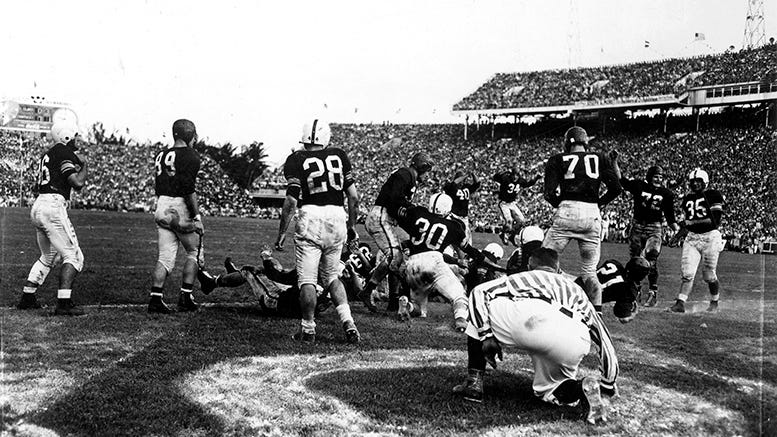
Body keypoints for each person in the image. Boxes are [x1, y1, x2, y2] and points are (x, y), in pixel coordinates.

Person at [453, 248, 618, 425]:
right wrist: (608, 384)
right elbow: (602, 336)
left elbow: (479, 292)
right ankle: (582, 387)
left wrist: (486, 336)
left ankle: (474, 382)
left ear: (531, 264)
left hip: (529, 322)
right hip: (573, 335)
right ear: (557, 267)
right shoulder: (576, 290)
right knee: (551, 389)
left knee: (480, 308)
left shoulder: (525, 276)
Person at [275, 119, 361, 343]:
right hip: (337, 217)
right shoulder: (339, 155)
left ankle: (308, 328)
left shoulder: (296, 158)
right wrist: (351, 226)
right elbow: (354, 197)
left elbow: (291, 201)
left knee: (307, 279)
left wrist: (282, 231)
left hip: (311, 216)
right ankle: (348, 322)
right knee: (332, 276)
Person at [542, 126, 621, 312]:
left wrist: (561, 204)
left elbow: (549, 193)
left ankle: (542, 306)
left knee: (542, 263)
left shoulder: (557, 159)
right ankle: (598, 317)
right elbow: (617, 188)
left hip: (567, 212)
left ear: (567, 142)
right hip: (592, 214)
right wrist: (598, 203)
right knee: (589, 273)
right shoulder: (600, 158)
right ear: (585, 142)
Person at [17, 121, 88, 315]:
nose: (76, 140)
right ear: (66, 137)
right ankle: (64, 304)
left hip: (40, 204)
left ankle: (28, 296)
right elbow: (77, 183)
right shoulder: (64, 153)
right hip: (53, 205)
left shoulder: (48, 154)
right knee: (74, 256)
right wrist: (84, 166)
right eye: (74, 136)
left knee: (48, 256)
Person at [394, 193, 485, 330]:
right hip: (433, 260)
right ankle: (460, 320)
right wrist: (480, 257)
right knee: (459, 295)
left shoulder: (418, 212)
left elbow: (401, 214)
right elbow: (466, 248)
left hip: (412, 264)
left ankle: (408, 305)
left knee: (420, 310)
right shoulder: (453, 225)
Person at [359, 151, 435, 312]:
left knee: (396, 257)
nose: (428, 176)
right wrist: (411, 208)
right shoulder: (405, 174)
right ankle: (368, 290)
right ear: (422, 166)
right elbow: (394, 199)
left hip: (385, 218)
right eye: (427, 171)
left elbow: (398, 206)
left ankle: (392, 298)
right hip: (380, 216)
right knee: (395, 256)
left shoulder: (408, 176)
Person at [147, 119, 205, 314]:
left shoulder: (161, 154)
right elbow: (189, 190)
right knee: (194, 252)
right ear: (189, 134)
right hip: (179, 206)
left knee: (165, 256)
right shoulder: (191, 155)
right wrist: (196, 217)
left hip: (161, 204)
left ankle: (155, 298)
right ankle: (185, 296)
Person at [614, 160, 679, 307]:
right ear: (650, 176)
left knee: (651, 257)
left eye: (661, 177)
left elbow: (670, 218)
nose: (659, 179)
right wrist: (614, 162)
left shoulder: (667, 194)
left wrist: (679, 231)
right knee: (635, 262)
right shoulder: (639, 185)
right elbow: (622, 180)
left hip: (654, 228)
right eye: (656, 176)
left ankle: (653, 292)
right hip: (637, 227)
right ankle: (635, 291)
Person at [667, 168, 725, 313]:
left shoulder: (713, 195)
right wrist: (677, 236)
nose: (695, 184)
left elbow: (715, 222)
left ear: (705, 182)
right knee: (687, 273)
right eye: (693, 182)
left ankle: (714, 302)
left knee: (709, 275)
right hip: (692, 238)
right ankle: (680, 303)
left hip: (710, 237)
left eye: (698, 181)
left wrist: (688, 224)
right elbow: (688, 222)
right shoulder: (687, 199)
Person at [573, 257, 650, 324]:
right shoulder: (628, 290)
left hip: (572, 286)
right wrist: (634, 313)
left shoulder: (613, 263)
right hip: (579, 302)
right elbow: (623, 318)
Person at [492, 163, 541, 245]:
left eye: (517, 175)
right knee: (509, 221)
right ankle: (503, 234)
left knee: (522, 221)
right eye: (513, 175)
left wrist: (536, 178)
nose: (515, 177)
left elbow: (528, 184)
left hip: (512, 203)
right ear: (511, 174)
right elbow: (495, 177)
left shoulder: (520, 180)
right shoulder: (505, 178)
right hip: (503, 203)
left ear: (519, 175)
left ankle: (512, 236)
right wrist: (502, 173)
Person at [443, 170, 481, 246]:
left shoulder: (466, 187)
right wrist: (464, 176)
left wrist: (473, 174)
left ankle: (468, 253)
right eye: (461, 179)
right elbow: (453, 183)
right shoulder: (450, 186)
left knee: (466, 236)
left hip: (464, 216)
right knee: (451, 234)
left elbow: (477, 183)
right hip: (453, 215)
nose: (462, 182)